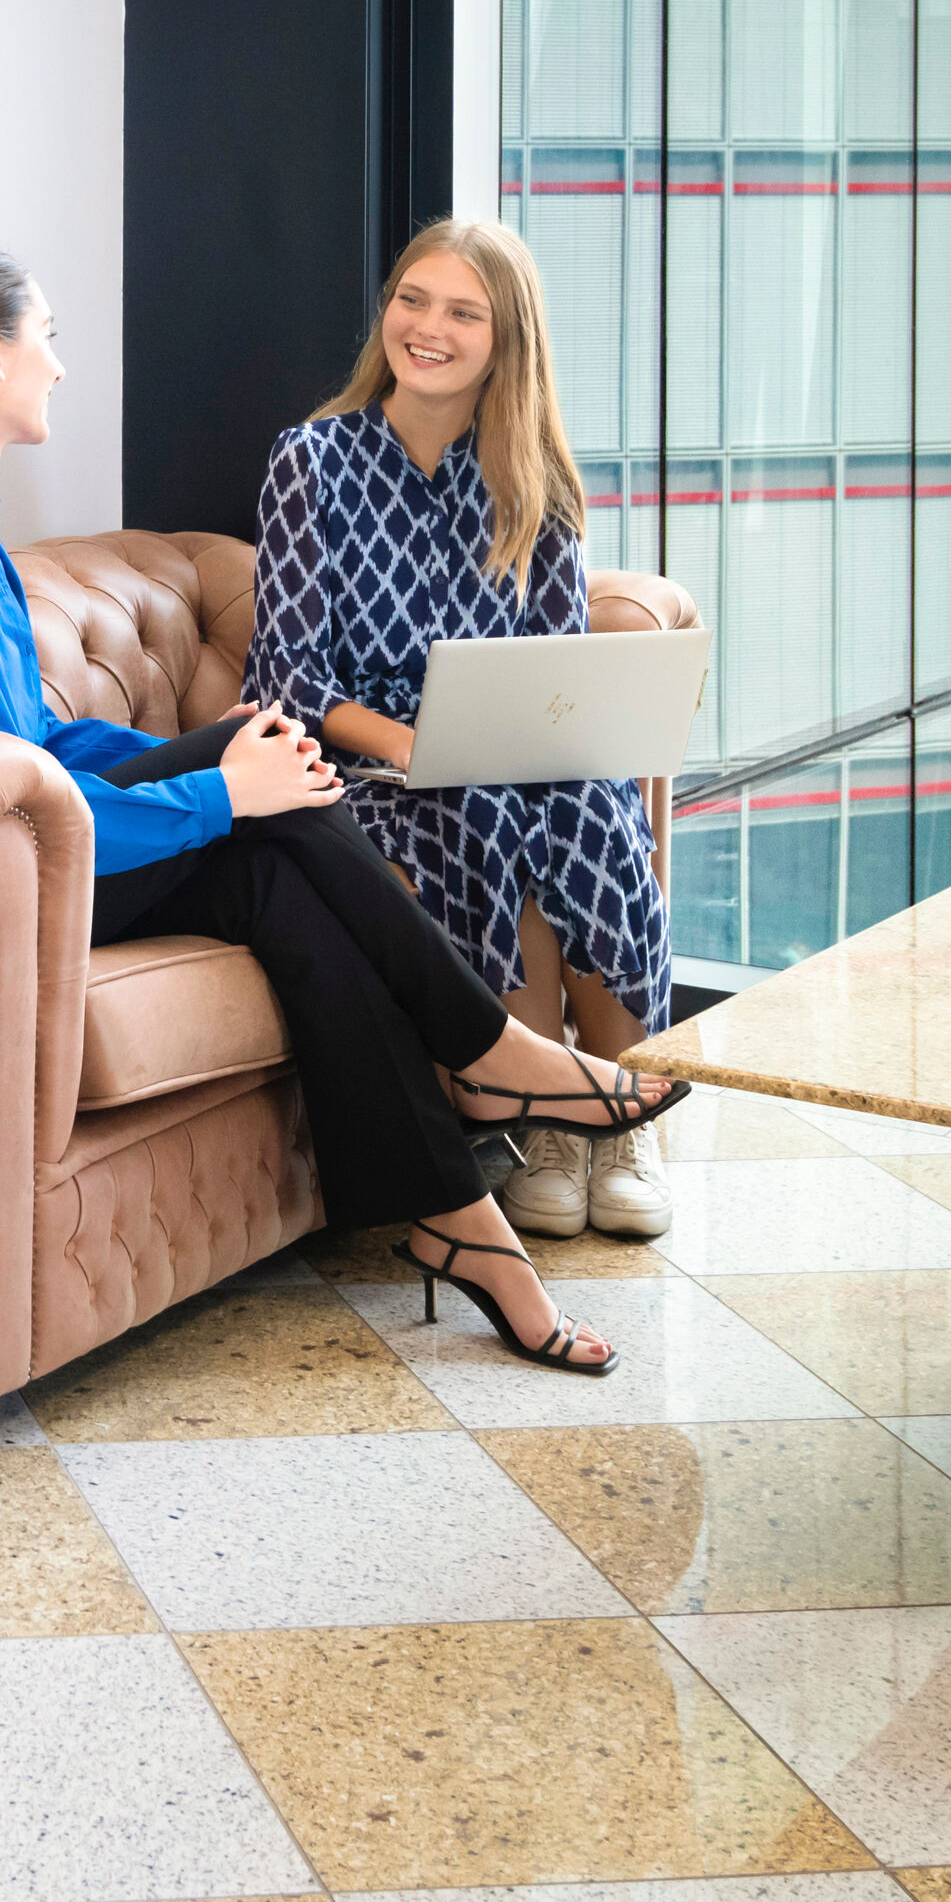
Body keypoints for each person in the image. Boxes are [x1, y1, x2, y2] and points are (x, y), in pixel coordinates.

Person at [0, 240, 681, 1374]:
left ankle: (463, 1218)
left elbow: (39, 748)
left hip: (33, 844)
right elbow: (5, 823)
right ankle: (491, 1059)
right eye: (47, 338)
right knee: (270, 804)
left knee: (275, 828)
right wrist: (214, 789)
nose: (59, 365)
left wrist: (203, 761)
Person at [252, 218, 684, 1242]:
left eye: (461, 311)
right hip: (369, 764)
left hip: (512, 752)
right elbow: (287, 678)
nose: (426, 327)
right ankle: (547, 1119)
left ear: (506, 338)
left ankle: (614, 1118)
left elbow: (560, 677)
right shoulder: (309, 462)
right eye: (412, 299)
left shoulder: (540, 485)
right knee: (480, 804)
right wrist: (416, 745)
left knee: (591, 803)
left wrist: (528, 741)